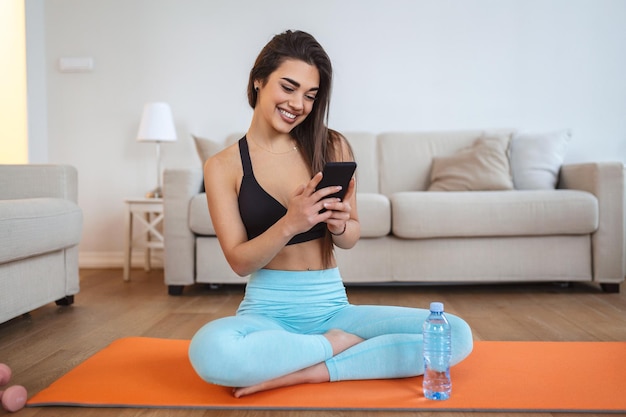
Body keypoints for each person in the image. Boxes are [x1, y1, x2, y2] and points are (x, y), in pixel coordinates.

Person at [188, 30, 473, 398]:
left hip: (333, 308)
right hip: (267, 313)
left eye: (310, 95)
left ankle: (315, 367)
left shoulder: (331, 144)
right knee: (212, 352)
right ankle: (339, 348)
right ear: (258, 80)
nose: (298, 104)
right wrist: (293, 221)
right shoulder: (222, 166)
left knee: (455, 333)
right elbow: (239, 262)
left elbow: (351, 235)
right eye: (288, 87)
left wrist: (340, 225)